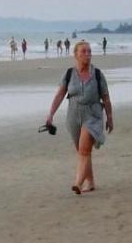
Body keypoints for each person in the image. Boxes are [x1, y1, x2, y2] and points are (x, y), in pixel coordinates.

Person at [43, 41, 114, 195]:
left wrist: (109, 117)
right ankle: (91, 182)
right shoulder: (69, 74)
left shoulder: (97, 74)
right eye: (83, 51)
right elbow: (60, 95)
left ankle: (78, 183)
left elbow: (106, 98)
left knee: (84, 150)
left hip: (92, 115)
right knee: (82, 151)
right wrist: (51, 114)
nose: (87, 54)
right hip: (73, 116)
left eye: (89, 51)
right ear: (75, 54)